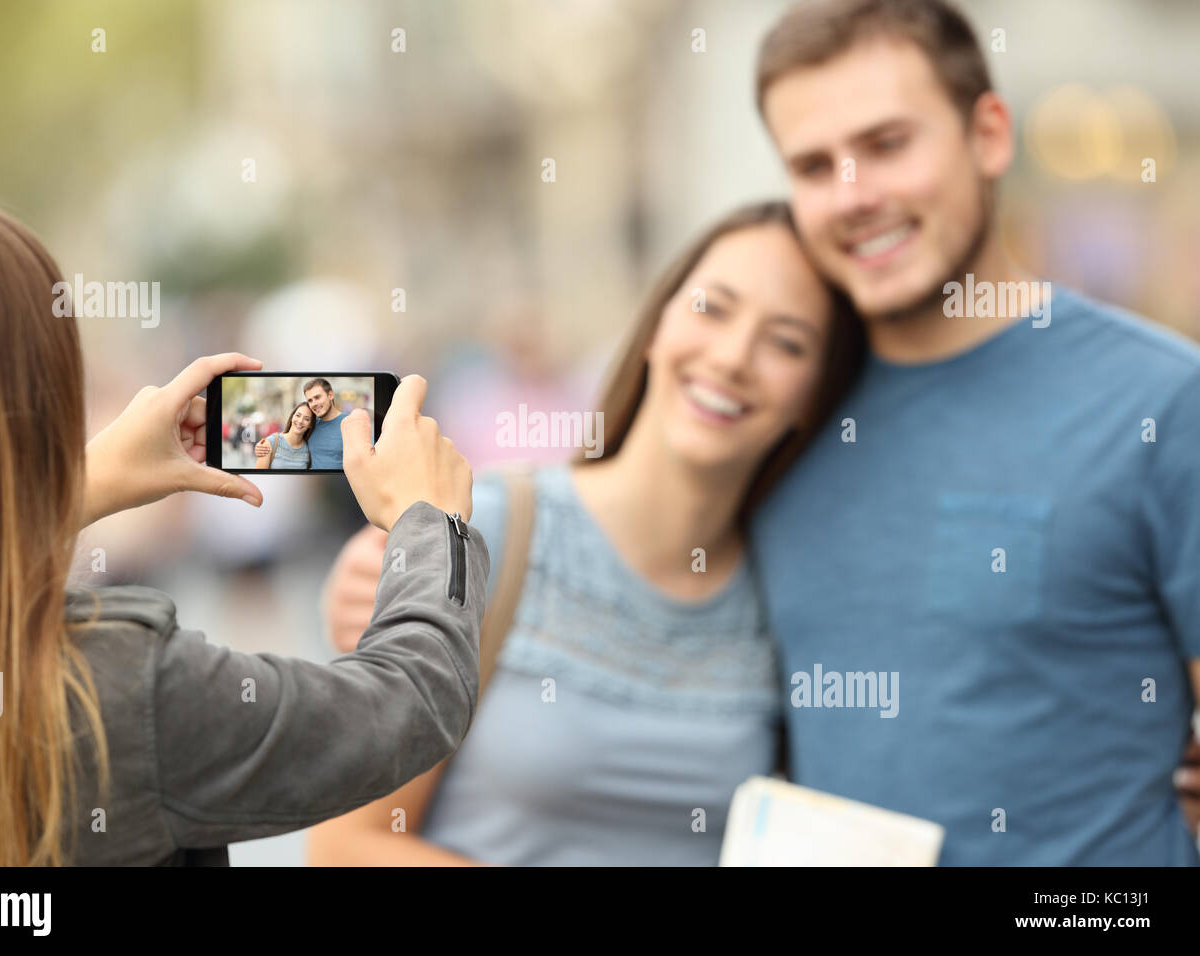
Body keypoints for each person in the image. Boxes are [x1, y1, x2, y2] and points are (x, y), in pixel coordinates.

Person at [0, 186, 489, 866]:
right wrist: (431, 521)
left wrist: (74, 491)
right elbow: (409, 704)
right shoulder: (122, 691)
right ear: (46, 398)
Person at [750, 0, 1200, 864]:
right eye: (813, 165)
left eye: (887, 145)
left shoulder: (1163, 404)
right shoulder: (781, 417)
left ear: (989, 136)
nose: (854, 196)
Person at [309, 201, 867, 865]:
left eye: (787, 342)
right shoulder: (487, 530)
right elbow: (345, 845)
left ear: (816, 393)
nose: (733, 356)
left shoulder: (790, 593)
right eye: (713, 309)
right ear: (657, 324)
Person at [254, 401, 315, 470]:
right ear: (292, 417)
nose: (300, 421)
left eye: (306, 419)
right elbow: (259, 477)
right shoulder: (270, 442)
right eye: (298, 415)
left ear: (310, 424)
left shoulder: (309, 450)